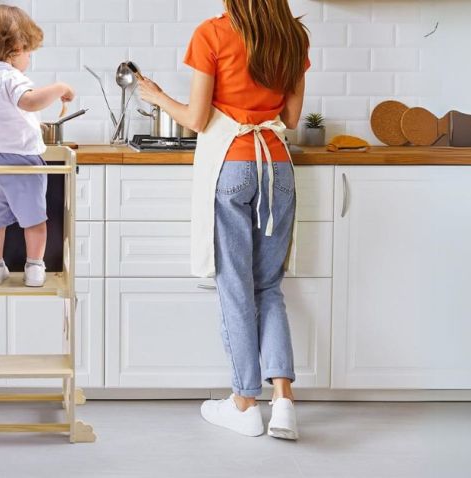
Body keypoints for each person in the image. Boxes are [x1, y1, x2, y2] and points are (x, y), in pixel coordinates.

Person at [139, 0, 310, 440]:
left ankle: (244, 403)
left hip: (231, 168)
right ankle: (284, 402)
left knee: (235, 286)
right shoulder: (293, 35)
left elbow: (196, 119)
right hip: (278, 167)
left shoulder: (212, 34)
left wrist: (157, 96)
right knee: (269, 284)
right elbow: (289, 119)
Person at [0, 5, 75, 287]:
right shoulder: (11, 77)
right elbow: (29, 101)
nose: (29, 57)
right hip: (22, 164)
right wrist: (60, 88)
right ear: (16, 47)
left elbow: (5, 117)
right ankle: (35, 267)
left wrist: (29, 125)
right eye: (29, 51)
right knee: (34, 220)